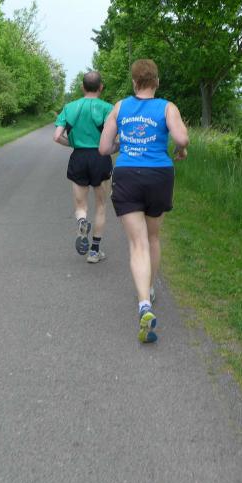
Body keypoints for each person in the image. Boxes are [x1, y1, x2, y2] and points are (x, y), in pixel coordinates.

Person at [99, 59, 189, 343]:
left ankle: (144, 305)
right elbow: (182, 137)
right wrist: (181, 149)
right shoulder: (167, 107)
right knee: (152, 237)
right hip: (159, 176)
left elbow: (104, 148)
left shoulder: (119, 107)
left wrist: (122, 144)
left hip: (127, 175)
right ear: (157, 82)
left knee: (137, 243)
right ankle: (149, 289)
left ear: (134, 82)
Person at [53, 71, 115, 263]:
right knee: (101, 206)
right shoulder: (108, 108)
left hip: (78, 157)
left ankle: (82, 221)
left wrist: (73, 144)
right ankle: (94, 252)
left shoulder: (69, 107)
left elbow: (57, 136)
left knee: (81, 206)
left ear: (82, 87)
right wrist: (117, 147)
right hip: (100, 157)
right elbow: (115, 137)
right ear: (101, 87)